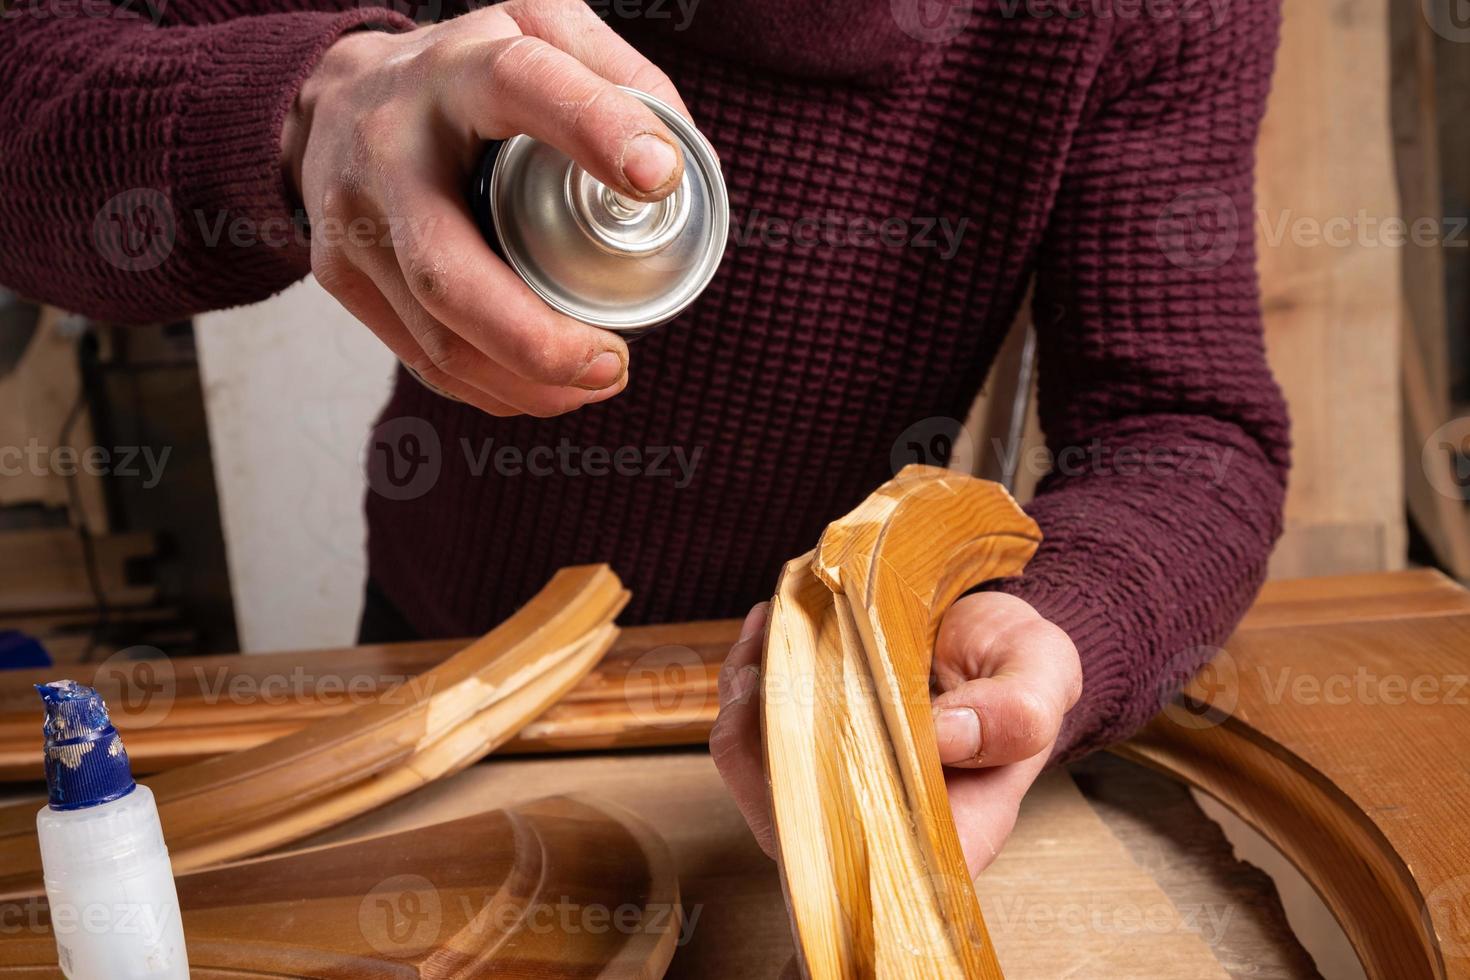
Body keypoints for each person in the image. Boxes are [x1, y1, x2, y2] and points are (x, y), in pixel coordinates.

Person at [0, 0, 1289, 875]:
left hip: (863, 703)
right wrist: (306, 113)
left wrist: (1066, 626)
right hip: (455, 670)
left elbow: (1185, 427)